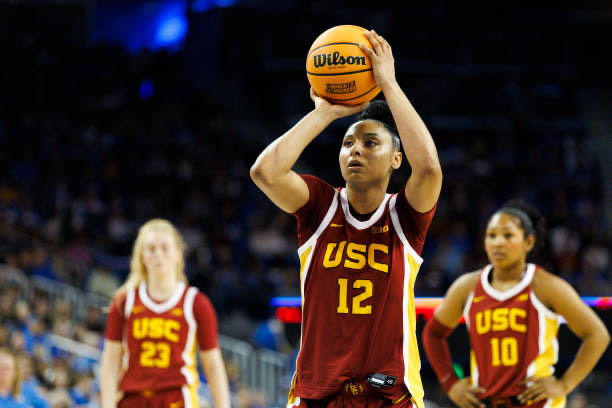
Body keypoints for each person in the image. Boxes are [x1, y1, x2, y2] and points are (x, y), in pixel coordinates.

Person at [251, 30, 442, 408]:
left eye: (371, 143)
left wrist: (387, 83)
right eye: (348, 143)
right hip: (318, 393)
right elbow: (265, 172)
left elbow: (431, 169)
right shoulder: (319, 206)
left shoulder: (405, 216)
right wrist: (325, 112)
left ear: (395, 159)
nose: (356, 149)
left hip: (389, 394)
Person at [422, 200, 610, 408]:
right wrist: (452, 384)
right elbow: (433, 333)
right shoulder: (467, 286)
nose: (498, 242)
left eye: (508, 235)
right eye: (491, 235)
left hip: (539, 403)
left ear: (528, 242)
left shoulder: (546, 286)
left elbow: (597, 334)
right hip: (485, 401)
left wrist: (565, 384)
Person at [100, 219, 231, 408]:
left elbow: (213, 365)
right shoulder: (123, 302)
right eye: (151, 249)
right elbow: (110, 363)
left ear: (178, 254)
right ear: (142, 256)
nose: (158, 254)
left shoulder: (196, 303)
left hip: (176, 398)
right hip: (132, 398)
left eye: (165, 248)